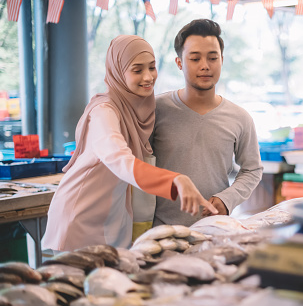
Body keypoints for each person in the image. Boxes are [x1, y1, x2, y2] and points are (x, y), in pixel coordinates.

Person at [42, 35, 217, 252]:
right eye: (137, 70)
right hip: (80, 216)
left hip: (111, 217)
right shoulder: (103, 112)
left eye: (152, 67)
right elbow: (119, 158)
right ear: (118, 71)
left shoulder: (139, 109)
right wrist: (175, 180)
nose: (148, 77)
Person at [151, 19, 263, 227]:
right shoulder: (155, 110)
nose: (205, 66)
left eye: (212, 58)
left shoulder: (240, 117)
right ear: (179, 63)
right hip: (161, 230)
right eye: (195, 58)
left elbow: (252, 169)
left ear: (221, 60)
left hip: (215, 229)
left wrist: (227, 199)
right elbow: (137, 166)